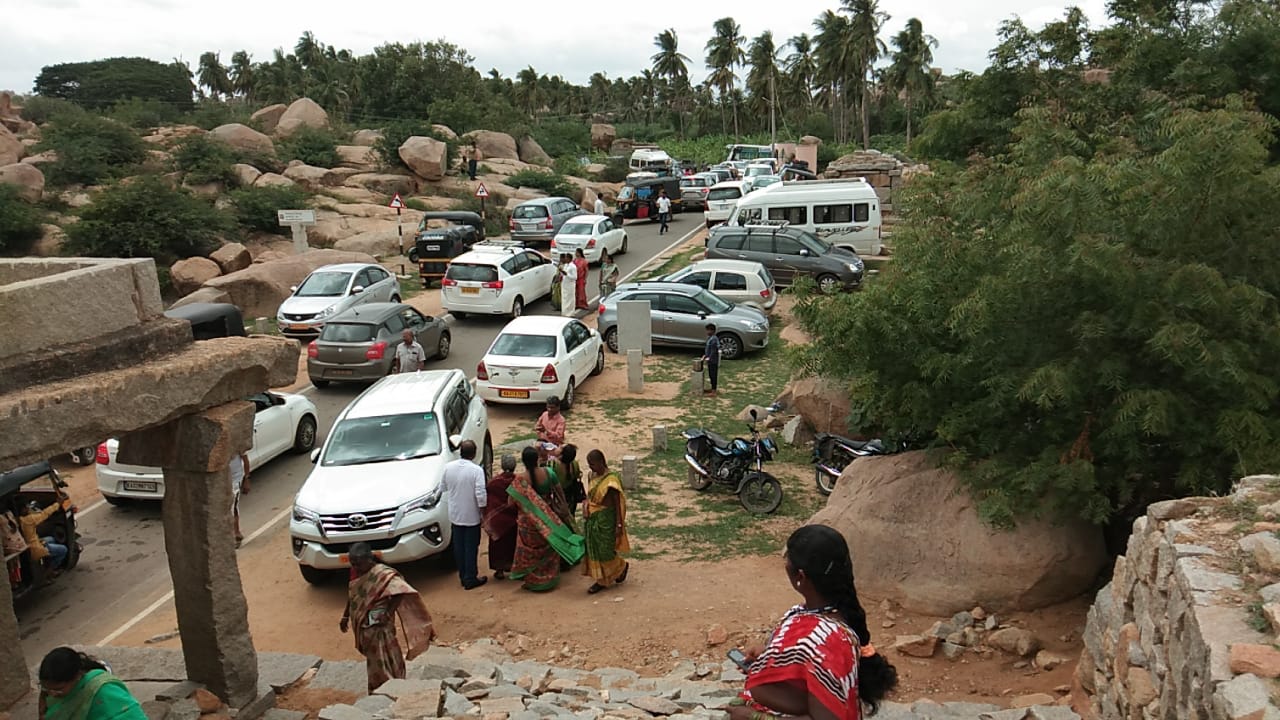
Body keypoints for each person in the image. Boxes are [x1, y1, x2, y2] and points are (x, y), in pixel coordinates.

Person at [727, 525, 897, 720]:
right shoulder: (825, 615)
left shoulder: (820, 641)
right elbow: (806, 673)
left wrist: (754, 717)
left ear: (800, 577)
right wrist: (769, 656)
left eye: (787, 561)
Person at [341, 542, 435, 693]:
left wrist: (388, 612)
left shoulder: (383, 574)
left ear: (369, 560)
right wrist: (345, 616)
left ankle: (391, 684)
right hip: (364, 627)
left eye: (358, 564)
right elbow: (352, 593)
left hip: (380, 627)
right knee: (374, 659)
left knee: (387, 655)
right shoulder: (358, 573)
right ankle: (378, 686)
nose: (355, 568)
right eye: (353, 564)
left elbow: (402, 590)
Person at [508, 446, 584, 591]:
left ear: (523, 461)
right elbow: (560, 494)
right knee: (549, 547)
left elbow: (510, 502)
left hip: (528, 522)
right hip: (548, 517)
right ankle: (549, 577)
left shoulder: (520, 480)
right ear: (537, 459)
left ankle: (533, 580)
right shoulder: (549, 473)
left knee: (530, 551)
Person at [38, 647, 146, 720]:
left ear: (77, 676)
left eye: (58, 689)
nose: (52, 694)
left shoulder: (104, 691)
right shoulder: (51, 688)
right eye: (46, 689)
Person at [581, 449, 630, 594]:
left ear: (601, 462)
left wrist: (619, 524)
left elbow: (617, 503)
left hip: (607, 520)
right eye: (589, 465)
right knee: (594, 549)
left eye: (593, 464)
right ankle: (602, 580)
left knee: (605, 550)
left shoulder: (611, 480)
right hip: (593, 519)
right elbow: (589, 496)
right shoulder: (591, 475)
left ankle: (620, 567)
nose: (591, 467)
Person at [441, 439, 487, 589]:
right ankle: (470, 577)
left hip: (455, 514)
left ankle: (463, 575)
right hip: (471, 514)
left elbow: (443, 487)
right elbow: (480, 494)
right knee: (471, 547)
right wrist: (483, 511)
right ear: (473, 454)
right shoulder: (476, 471)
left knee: (459, 546)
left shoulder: (448, 468)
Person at [484, 454, 520, 579]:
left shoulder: (494, 483)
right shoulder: (518, 481)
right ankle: (513, 567)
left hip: (498, 520)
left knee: (497, 546)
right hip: (514, 520)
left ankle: (499, 570)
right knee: (513, 543)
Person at [17, 500, 68, 573]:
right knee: (64, 549)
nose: (27, 508)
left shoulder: (19, 519)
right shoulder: (28, 519)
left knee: (51, 539)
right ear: (21, 510)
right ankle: (50, 570)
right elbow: (44, 514)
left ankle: (47, 560)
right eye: (25, 507)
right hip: (35, 548)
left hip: (29, 543)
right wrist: (58, 504)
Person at [549, 443, 586, 518]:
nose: (558, 446)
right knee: (570, 516)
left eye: (560, 447)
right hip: (571, 495)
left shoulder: (552, 465)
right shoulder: (574, 464)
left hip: (558, 496)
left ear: (561, 455)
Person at [229, 452, 250, 549]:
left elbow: (245, 460)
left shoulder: (237, 443)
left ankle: (236, 533)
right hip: (224, 480)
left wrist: (246, 479)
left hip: (235, 480)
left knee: (233, 506)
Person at [702, 324, 721, 396]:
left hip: (713, 361)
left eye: (708, 330)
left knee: (713, 375)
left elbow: (713, 351)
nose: (707, 331)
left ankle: (714, 391)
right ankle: (712, 389)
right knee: (711, 375)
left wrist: (708, 358)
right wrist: (705, 355)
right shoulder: (710, 338)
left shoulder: (713, 340)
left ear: (712, 331)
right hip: (711, 360)